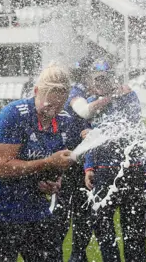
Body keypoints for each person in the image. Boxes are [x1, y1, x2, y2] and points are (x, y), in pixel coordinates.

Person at [0, 63, 83, 261]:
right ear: (36, 91)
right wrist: (49, 162)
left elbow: (55, 166)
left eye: (59, 105)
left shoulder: (65, 120)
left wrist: (54, 182)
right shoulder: (14, 114)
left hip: (36, 212)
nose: (53, 111)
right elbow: (2, 168)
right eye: (49, 104)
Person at [83, 60, 146, 262]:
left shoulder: (129, 96)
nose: (100, 83)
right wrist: (88, 167)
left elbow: (127, 128)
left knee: (134, 232)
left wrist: (96, 132)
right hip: (103, 174)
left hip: (131, 171)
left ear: (113, 78)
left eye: (104, 78)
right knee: (103, 231)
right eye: (97, 79)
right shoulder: (91, 102)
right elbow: (88, 141)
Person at [54, 57, 105, 262]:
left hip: (79, 162)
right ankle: (65, 256)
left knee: (81, 216)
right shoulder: (76, 91)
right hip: (69, 163)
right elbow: (83, 111)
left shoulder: (83, 92)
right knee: (65, 217)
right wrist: (111, 97)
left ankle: (76, 256)